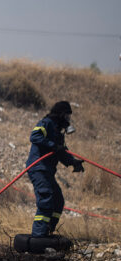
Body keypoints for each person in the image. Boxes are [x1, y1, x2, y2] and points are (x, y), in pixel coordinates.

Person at [26, 101, 84, 238]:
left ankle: (48, 231)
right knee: (46, 198)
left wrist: (73, 162)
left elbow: (61, 152)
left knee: (58, 201)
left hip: (48, 171)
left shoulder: (58, 132)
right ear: (62, 114)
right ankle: (39, 236)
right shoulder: (46, 123)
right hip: (38, 168)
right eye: (67, 117)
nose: (68, 120)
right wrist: (52, 145)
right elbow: (34, 137)